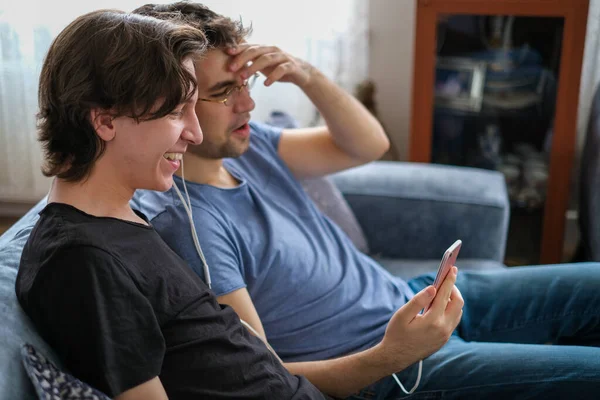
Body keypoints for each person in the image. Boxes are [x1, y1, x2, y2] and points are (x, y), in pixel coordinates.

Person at [133, 3, 600, 399]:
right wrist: (391, 355)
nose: (248, 105)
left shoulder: (248, 147)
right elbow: (263, 374)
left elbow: (366, 145)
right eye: (224, 93)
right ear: (175, 104)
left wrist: (306, 74)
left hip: (412, 298)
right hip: (392, 366)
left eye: (245, 86)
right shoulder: (190, 227)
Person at [15, 9, 328, 400]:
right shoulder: (82, 262)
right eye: (177, 112)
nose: (195, 134)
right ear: (105, 121)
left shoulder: (121, 218)